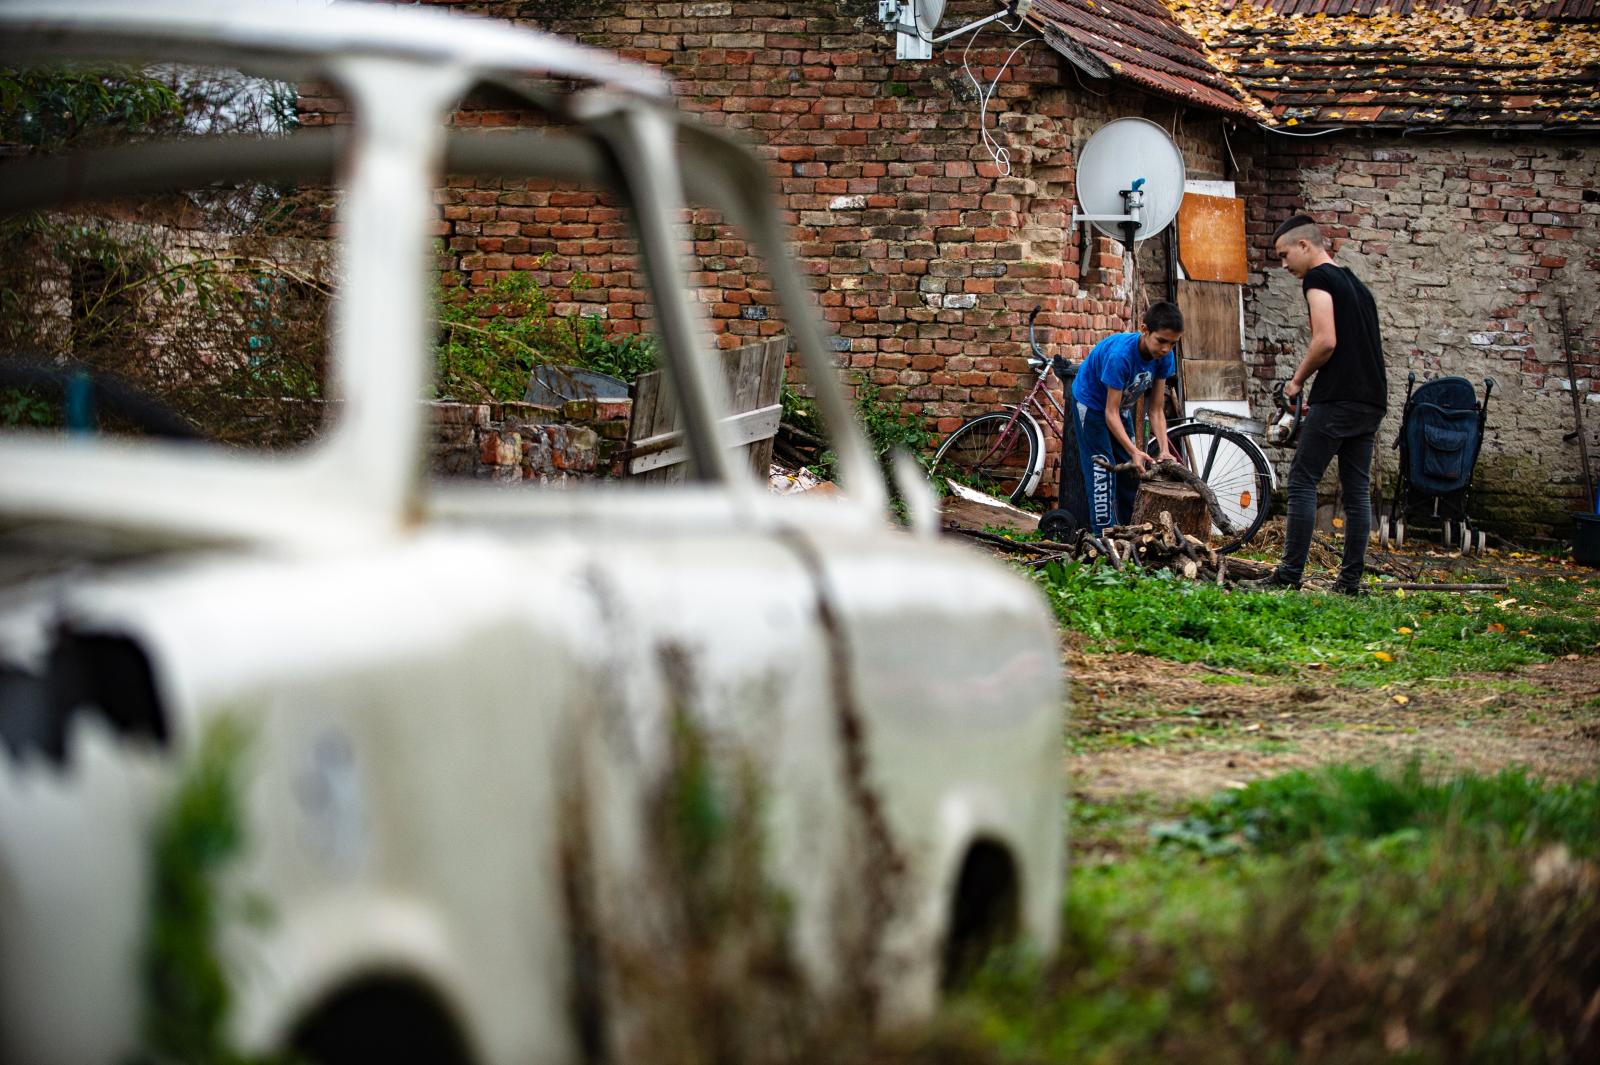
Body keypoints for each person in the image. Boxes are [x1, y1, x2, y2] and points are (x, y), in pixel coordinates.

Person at [1250, 213, 1387, 594]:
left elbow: (1325, 341)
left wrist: (1296, 382)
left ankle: (1288, 576)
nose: (1283, 264)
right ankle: (1349, 583)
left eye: (1283, 255)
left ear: (1305, 246)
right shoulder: (1356, 285)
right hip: (1371, 399)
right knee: (1356, 492)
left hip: (1340, 396)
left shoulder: (1318, 278)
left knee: (1302, 480)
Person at [1069, 301, 1183, 533]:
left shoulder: (1165, 357)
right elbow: (1109, 413)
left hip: (1120, 408)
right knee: (1103, 472)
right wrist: (1132, 449)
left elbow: (1157, 410)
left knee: (1133, 471)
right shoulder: (1120, 356)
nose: (1165, 349)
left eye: (1172, 343)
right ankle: (1105, 540)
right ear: (1145, 329)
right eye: (1161, 341)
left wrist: (1164, 450)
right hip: (1092, 405)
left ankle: (1132, 533)